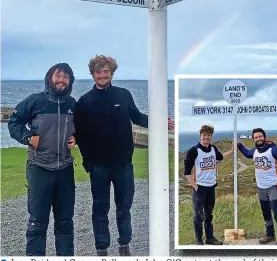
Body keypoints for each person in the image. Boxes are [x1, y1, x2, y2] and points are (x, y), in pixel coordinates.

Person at [74, 54, 174, 256]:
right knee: (100, 208)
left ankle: (124, 243)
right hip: (99, 167)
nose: (102, 75)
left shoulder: (123, 95)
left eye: (105, 71)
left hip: (123, 165)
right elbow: (81, 135)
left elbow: (137, 117)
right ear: (92, 74)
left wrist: (161, 119)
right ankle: (101, 247)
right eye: (98, 72)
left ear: (112, 72)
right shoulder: (84, 102)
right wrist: (89, 164)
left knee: (124, 206)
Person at [8, 63, 76, 256]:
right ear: (50, 78)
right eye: (58, 76)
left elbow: (78, 126)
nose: (61, 80)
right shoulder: (35, 101)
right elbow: (14, 122)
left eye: (66, 77)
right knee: (38, 221)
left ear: (70, 82)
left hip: (64, 169)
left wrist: (75, 136)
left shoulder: (71, 104)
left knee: (65, 221)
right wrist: (28, 137)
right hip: (39, 168)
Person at [237, 128, 277, 245]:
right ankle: (270, 235)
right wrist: (239, 145)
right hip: (261, 187)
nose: (258, 139)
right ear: (253, 139)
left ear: (264, 137)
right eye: (256, 137)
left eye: (260, 136)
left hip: (274, 186)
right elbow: (247, 154)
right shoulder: (255, 150)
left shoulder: (273, 149)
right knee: (266, 213)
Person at [184, 124, 233, 245]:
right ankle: (199, 241)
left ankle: (210, 238)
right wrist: (195, 186)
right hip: (199, 188)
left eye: (209, 135)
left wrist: (232, 151)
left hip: (211, 187)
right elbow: (187, 172)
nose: (206, 137)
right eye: (204, 135)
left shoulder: (213, 149)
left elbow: (220, 157)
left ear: (211, 136)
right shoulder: (194, 151)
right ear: (200, 136)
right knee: (198, 216)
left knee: (209, 214)